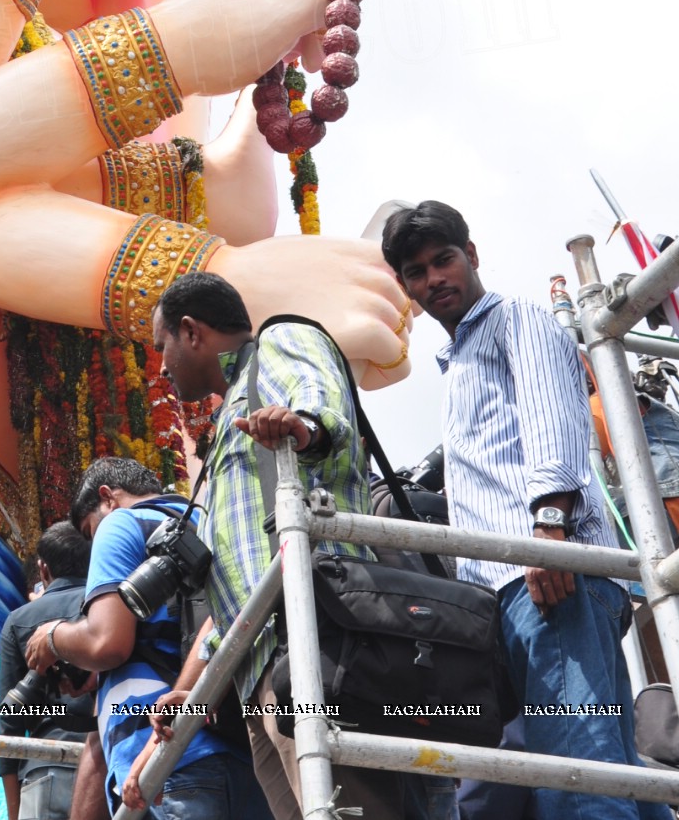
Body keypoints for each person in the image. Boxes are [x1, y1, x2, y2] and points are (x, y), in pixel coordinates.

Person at [382, 199, 674, 820]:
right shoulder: (459, 358)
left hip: (546, 576)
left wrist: (548, 532)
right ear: (404, 286)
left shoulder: (514, 319)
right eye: (417, 272)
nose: (434, 279)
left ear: (473, 256)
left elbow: (555, 424)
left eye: (445, 260)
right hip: (522, 586)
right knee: (609, 773)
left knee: (577, 777)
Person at [150, 271, 410, 820]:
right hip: (261, 671)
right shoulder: (227, 417)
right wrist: (194, 689)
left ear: (192, 331)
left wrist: (303, 427)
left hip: (316, 640)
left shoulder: (281, 340)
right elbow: (241, 578)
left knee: (345, 808)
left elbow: (322, 409)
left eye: (161, 346)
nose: (162, 366)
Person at [23, 456, 269, 818]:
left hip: (170, 760)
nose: (95, 546)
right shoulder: (207, 519)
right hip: (241, 747)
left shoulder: (120, 522)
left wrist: (53, 638)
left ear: (107, 497)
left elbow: (108, 644)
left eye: (91, 532)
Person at [0, 523, 96, 819]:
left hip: (45, 770)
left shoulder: (18, 621)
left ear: (43, 570)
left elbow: (10, 722)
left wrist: (14, 812)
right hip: (110, 759)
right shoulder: (111, 609)